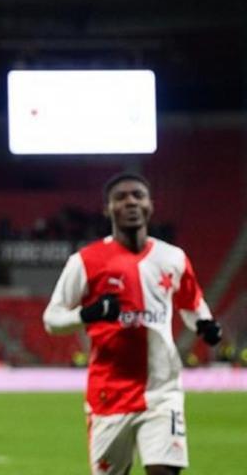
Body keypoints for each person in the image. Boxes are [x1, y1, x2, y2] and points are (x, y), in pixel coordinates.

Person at [43, 172, 223, 475]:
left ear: (150, 205)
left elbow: (191, 303)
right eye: (121, 197)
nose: (131, 202)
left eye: (138, 195)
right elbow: (52, 319)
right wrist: (89, 314)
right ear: (107, 209)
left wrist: (204, 324)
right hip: (108, 396)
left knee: (164, 471)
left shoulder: (173, 258)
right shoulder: (85, 261)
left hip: (162, 390)